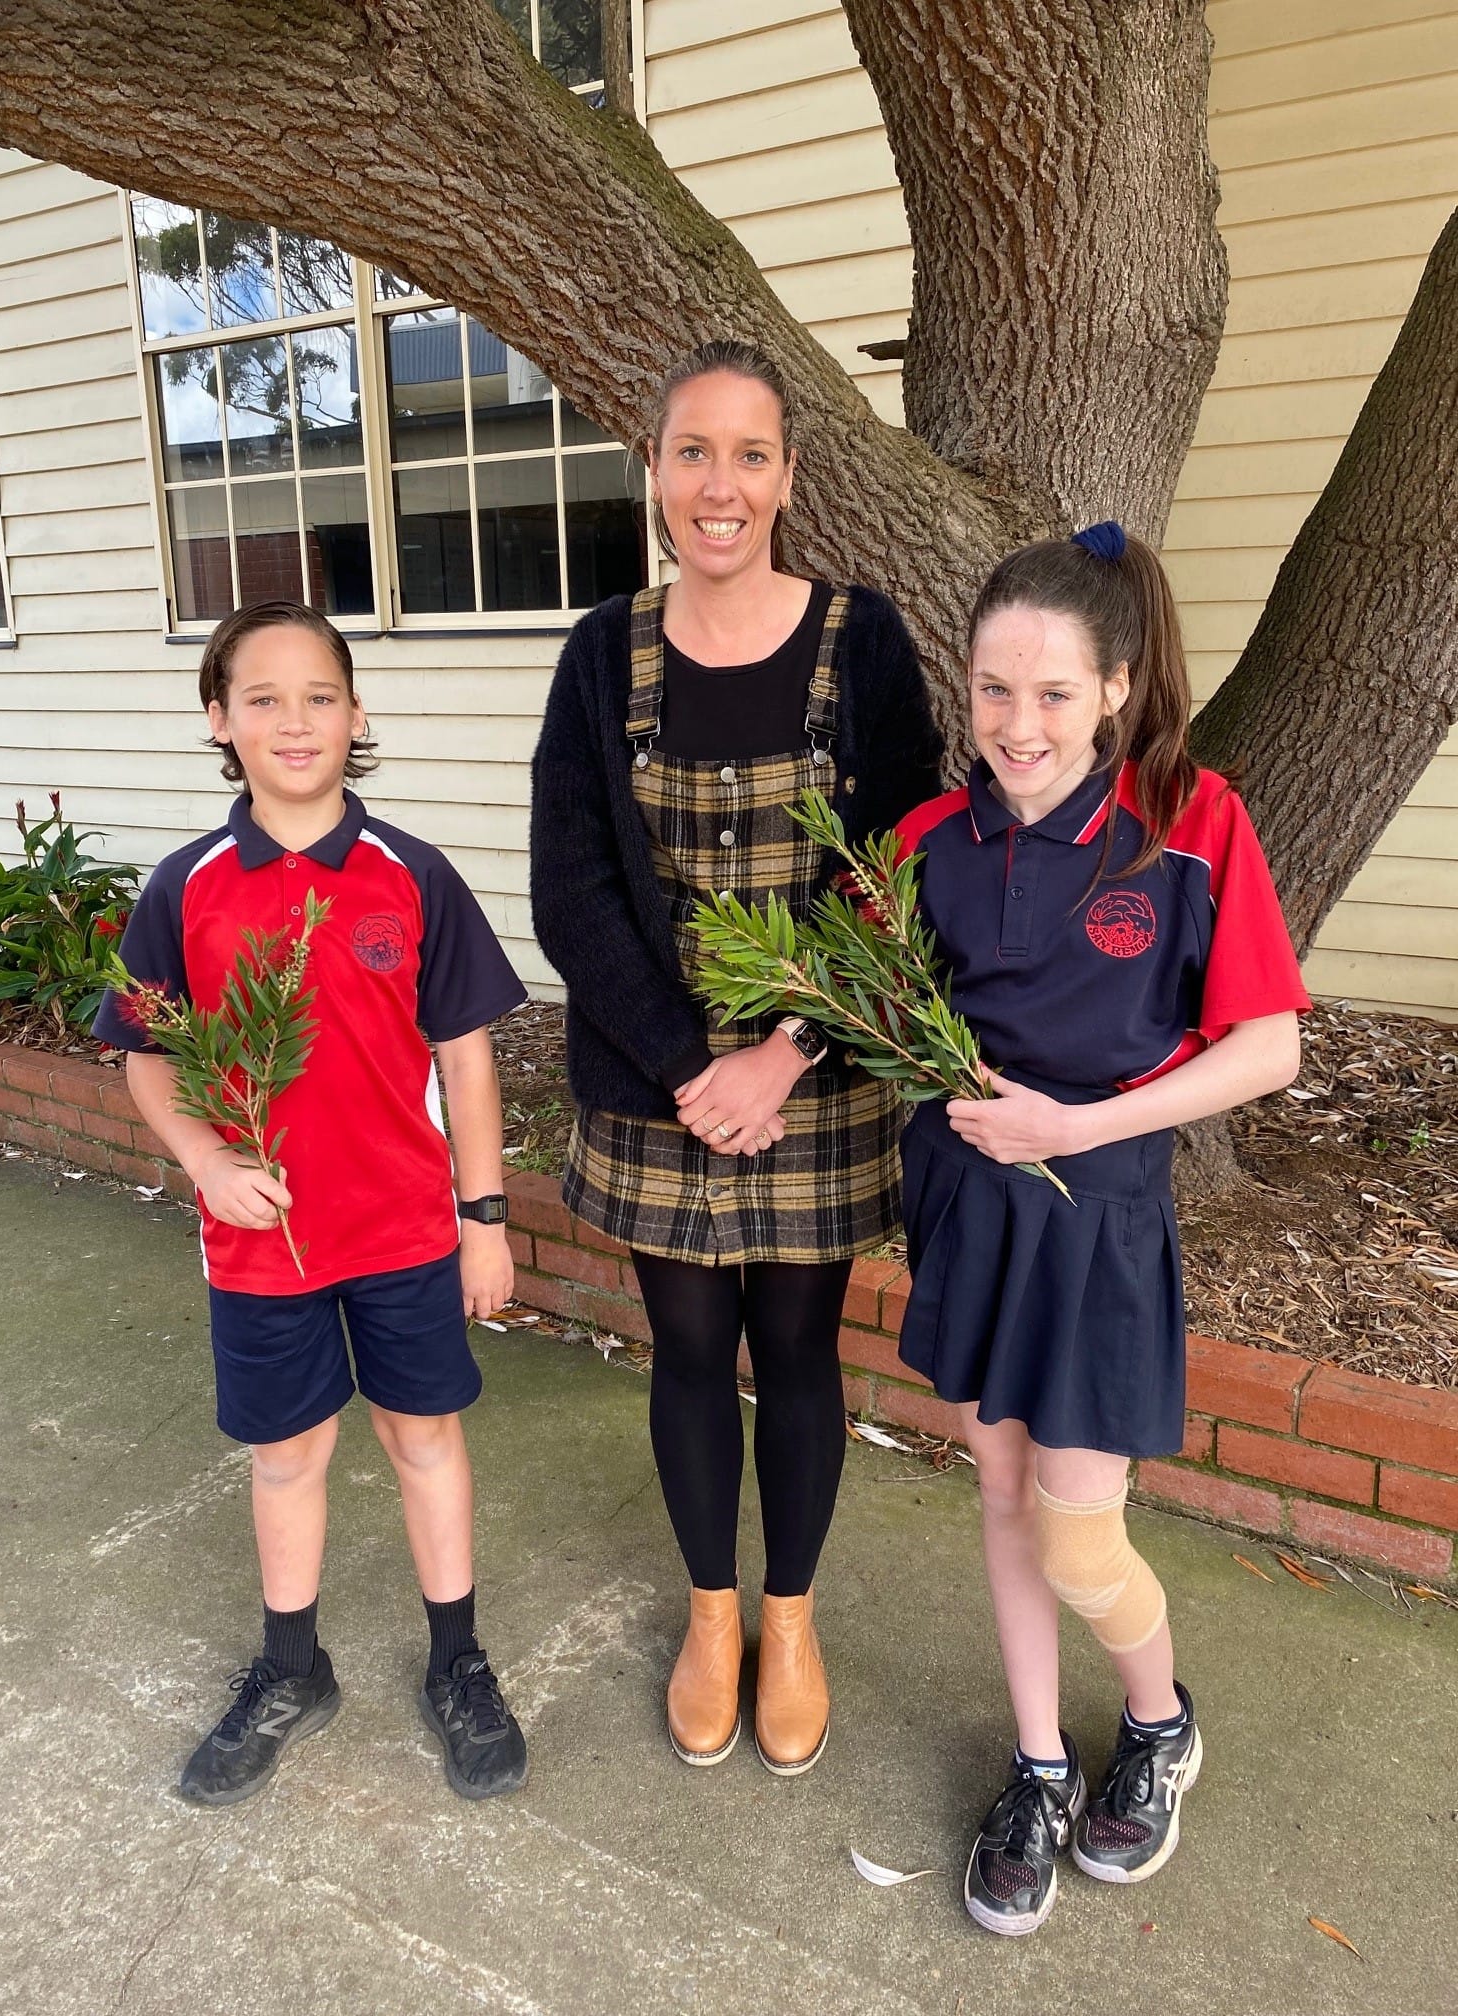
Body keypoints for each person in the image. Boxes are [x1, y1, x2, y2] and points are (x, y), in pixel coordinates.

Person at [530, 340, 943, 1775]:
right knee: (692, 1350)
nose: (721, 485)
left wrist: (779, 1054)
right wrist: (684, 1070)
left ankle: (793, 1613)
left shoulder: (863, 643)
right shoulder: (601, 654)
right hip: (659, 1092)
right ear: (653, 470)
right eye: (692, 451)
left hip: (809, 1081)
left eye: (750, 454)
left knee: (799, 1349)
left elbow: (896, 864)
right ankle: (714, 1614)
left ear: (789, 477)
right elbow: (570, 887)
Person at [892, 521, 1307, 1936]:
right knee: (1000, 1501)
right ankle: (1041, 1765)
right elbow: (852, 995)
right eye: (995, 689)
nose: (1019, 724)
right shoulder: (926, 843)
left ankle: (1159, 1719)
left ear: (1117, 687)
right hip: (968, 1210)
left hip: (1098, 1209)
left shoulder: (1192, 825)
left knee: (1080, 1535)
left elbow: (1266, 1051)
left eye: (1055, 693)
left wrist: (1076, 1126)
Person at [93, 600, 530, 1808]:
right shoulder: (185, 889)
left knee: (424, 1439)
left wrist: (482, 1220)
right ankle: (294, 1669)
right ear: (220, 721)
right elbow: (139, 1051)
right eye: (265, 698)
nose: (296, 720)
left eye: (320, 696)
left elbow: (467, 1059)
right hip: (260, 1240)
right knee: (287, 1456)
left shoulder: (412, 875)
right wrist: (205, 1163)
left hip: (402, 1230)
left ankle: (460, 1664)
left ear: (358, 715)